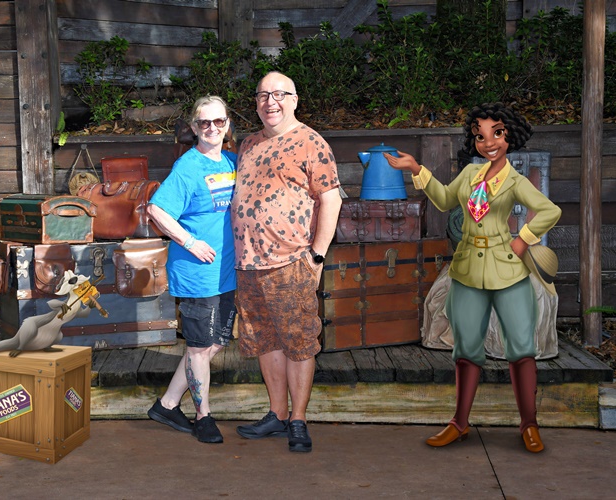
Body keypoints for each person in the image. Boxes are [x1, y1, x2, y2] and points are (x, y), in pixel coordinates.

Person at [384, 102, 561, 453]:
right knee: (465, 349)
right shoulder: (469, 175)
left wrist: (523, 240)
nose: (489, 142)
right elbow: (444, 200)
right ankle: (459, 423)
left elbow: (549, 210)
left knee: (521, 348)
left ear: (510, 136)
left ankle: (529, 424)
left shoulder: (515, 181)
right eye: (480, 136)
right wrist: (416, 169)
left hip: (507, 270)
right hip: (466, 270)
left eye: (497, 133)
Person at [231, 71, 343, 453]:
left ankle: (298, 419)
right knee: (265, 340)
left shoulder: (311, 142)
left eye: (279, 94)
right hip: (249, 265)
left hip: (291, 262)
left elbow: (331, 199)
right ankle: (277, 414)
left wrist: (317, 255)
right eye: (263, 95)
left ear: (294, 100)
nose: (271, 102)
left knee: (299, 342)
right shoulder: (248, 144)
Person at [146, 95, 237, 444]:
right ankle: (203, 416)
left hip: (226, 271)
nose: (212, 128)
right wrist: (190, 242)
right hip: (198, 272)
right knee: (200, 347)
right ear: (194, 128)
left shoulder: (231, 161)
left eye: (218, 121)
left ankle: (168, 404)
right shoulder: (188, 167)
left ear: (227, 124)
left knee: (214, 343)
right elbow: (156, 210)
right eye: (204, 123)